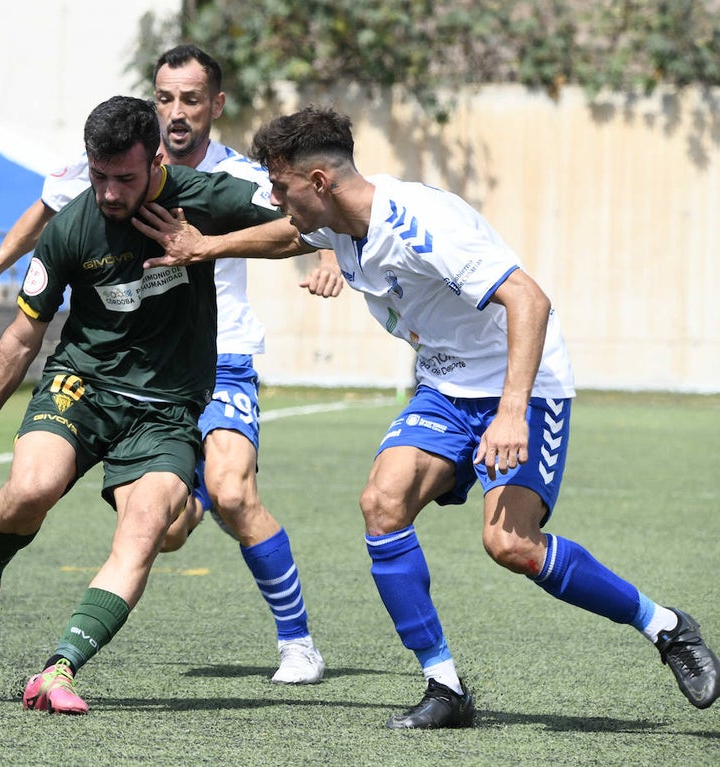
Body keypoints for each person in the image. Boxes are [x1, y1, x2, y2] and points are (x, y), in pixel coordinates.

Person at [136, 104, 720, 727]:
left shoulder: (422, 224)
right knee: (382, 505)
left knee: (510, 545)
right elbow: (289, 236)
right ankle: (445, 686)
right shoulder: (334, 219)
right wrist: (209, 247)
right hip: (444, 385)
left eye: (281, 188)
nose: (276, 200)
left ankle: (665, 628)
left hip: (524, 385)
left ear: (319, 182)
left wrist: (512, 413)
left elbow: (530, 298)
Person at [0, 44, 342, 685]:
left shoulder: (236, 179)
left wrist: (314, 256)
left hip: (220, 356)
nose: (177, 111)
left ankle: (296, 642)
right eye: (166, 98)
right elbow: (46, 218)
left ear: (214, 105)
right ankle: (169, 503)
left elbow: (307, 218)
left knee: (231, 494)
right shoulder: (101, 171)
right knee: (134, 519)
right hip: (109, 375)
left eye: (191, 99)